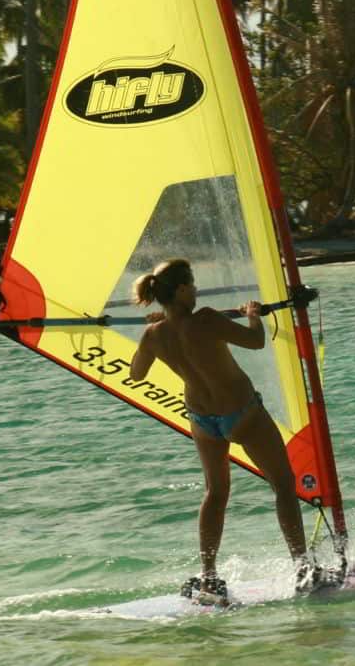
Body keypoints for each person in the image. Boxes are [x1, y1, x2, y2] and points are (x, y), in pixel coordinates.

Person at [129, 258, 332, 604]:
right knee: (283, 486)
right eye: (192, 285)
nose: (196, 290)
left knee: (216, 492)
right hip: (242, 413)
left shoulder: (153, 335)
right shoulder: (207, 318)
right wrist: (253, 313)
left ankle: (209, 575)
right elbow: (255, 341)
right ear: (180, 290)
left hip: (202, 419)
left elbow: (135, 375)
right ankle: (302, 567)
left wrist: (159, 327)